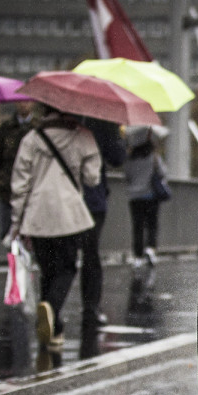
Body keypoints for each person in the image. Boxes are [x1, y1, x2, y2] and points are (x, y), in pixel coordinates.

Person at [7, 105, 100, 350]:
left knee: (48, 269)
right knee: (67, 267)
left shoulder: (31, 138)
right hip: (69, 214)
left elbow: (20, 184)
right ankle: (51, 308)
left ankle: (54, 328)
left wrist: (16, 222)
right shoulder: (83, 135)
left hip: (37, 214)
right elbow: (93, 178)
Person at [79, 118, 126, 324]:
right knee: (90, 253)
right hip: (92, 197)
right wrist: (118, 136)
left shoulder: (69, 117)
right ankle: (90, 308)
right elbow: (117, 158)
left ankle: (51, 305)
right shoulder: (104, 122)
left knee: (62, 257)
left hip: (64, 195)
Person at [0, 100, 35, 240]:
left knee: (33, 235)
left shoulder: (38, 127)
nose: (23, 104)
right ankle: (13, 261)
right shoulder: (6, 128)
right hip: (8, 189)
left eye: (26, 101)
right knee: (8, 235)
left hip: (33, 190)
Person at [123, 125, 167, 266]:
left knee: (137, 226)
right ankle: (150, 248)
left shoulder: (131, 158)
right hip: (150, 196)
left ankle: (137, 256)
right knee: (152, 224)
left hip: (135, 197)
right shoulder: (154, 157)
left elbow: (127, 175)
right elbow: (162, 172)